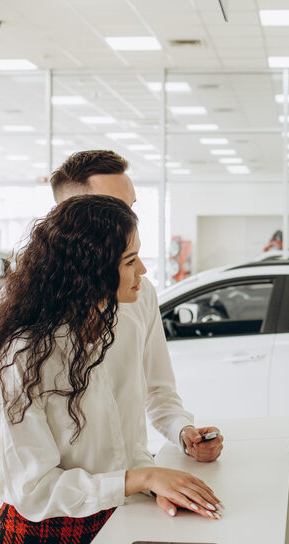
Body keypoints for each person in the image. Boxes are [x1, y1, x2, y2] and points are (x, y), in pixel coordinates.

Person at [0, 196, 222, 544]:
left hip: (113, 519)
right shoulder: (27, 354)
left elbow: (125, 438)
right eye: (129, 261)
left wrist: (156, 476)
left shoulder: (118, 325)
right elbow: (33, 489)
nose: (142, 271)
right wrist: (142, 477)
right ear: (89, 269)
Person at [49, 150, 223, 463]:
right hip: (64, 504)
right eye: (112, 208)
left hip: (132, 487)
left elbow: (158, 391)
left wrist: (184, 432)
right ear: (69, 217)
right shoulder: (27, 312)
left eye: (130, 207)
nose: (129, 221)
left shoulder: (140, 294)